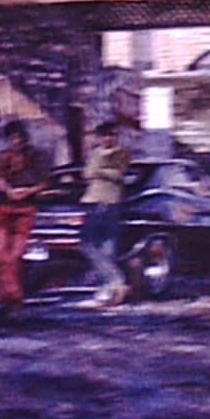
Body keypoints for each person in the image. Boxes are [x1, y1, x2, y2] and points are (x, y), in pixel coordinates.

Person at [0, 120, 50, 311]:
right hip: (4, 207)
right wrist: (8, 190)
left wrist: (27, 191)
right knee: (0, 250)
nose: (16, 142)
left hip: (25, 209)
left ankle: (11, 297)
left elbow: (44, 183)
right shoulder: (3, 157)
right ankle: (11, 294)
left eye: (19, 138)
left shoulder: (36, 156)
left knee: (15, 252)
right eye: (12, 138)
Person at [79, 120, 131, 306]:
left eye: (111, 135)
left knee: (96, 245)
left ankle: (115, 281)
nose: (108, 138)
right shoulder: (96, 153)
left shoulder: (120, 153)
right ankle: (108, 287)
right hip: (92, 199)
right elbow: (86, 173)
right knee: (95, 245)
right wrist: (100, 170)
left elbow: (118, 175)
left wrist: (99, 171)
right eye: (105, 135)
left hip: (109, 201)